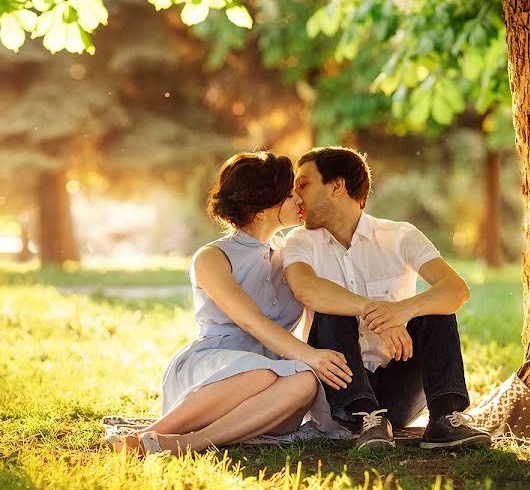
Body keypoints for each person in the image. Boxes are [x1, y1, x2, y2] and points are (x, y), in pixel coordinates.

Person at [107, 151, 351, 456]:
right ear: (262, 210)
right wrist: (311, 356)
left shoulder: (290, 255)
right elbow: (251, 321)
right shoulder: (212, 257)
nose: (299, 200)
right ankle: (151, 434)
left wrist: (311, 361)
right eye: (289, 195)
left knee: (304, 382)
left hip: (272, 378)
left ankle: (187, 444)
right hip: (214, 367)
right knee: (264, 373)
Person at [282, 146, 490, 450]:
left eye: (304, 184)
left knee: (436, 306)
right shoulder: (299, 241)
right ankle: (366, 419)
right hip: (338, 396)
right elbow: (306, 288)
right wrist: (375, 311)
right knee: (330, 309)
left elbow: (456, 289)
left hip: (398, 390)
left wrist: (402, 311)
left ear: (337, 186)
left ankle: (445, 419)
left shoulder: (400, 235)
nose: (297, 196)